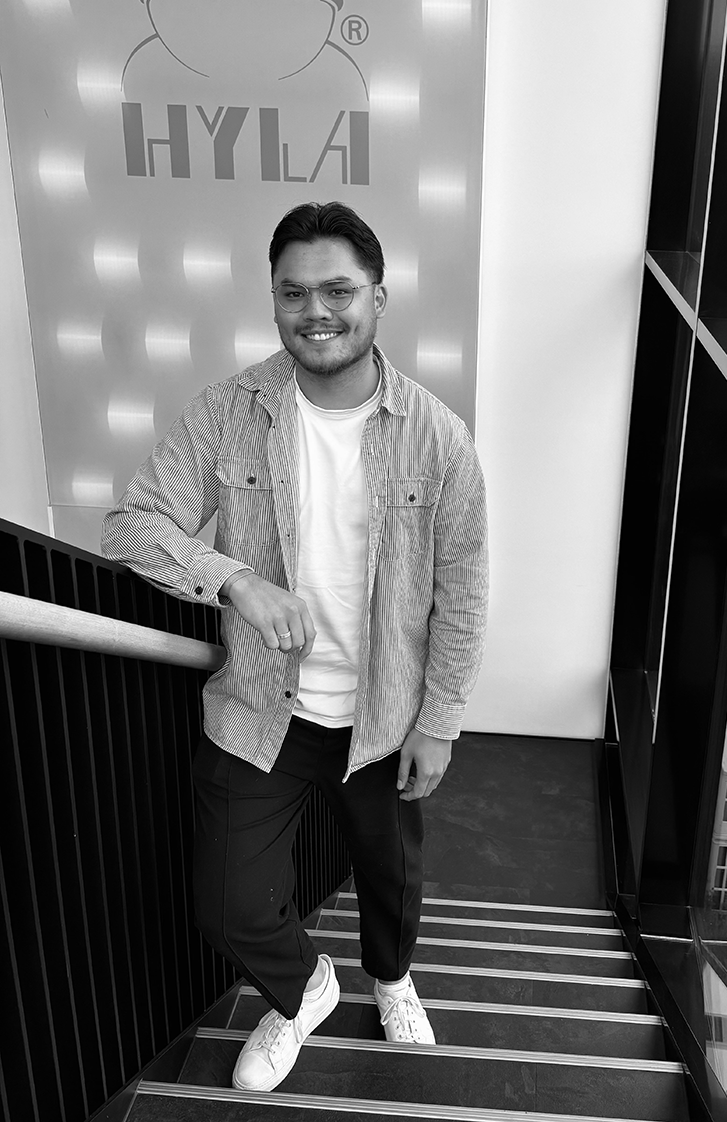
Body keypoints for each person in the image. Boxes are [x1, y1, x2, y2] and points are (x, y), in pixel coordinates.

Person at [102, 201, 488, 1093]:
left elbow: (463, 591)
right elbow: (131, 525)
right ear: (274, 300)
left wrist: (441, 719)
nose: (317, 311)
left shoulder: (438, 437)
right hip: (259, 710)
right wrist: (232, 577)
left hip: (383, 717)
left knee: (392, 878)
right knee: (227, 903)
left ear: (379, 297)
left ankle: (391, 978)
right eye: (294, 292)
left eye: (339, 290)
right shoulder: (229, 411)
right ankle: (301, 989)